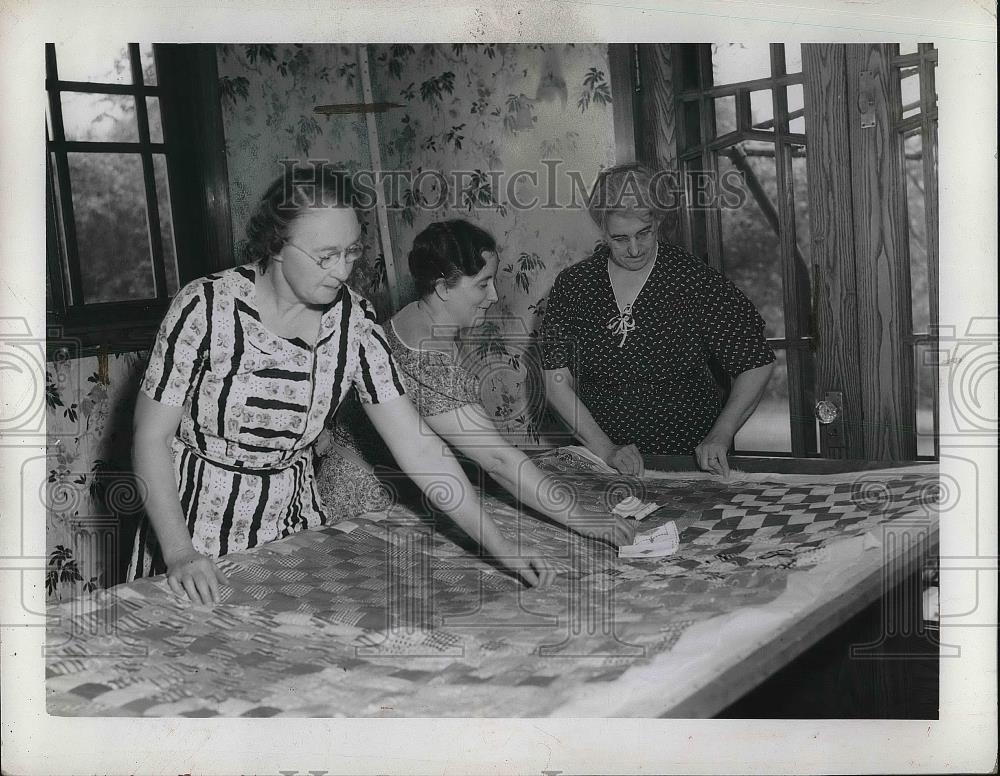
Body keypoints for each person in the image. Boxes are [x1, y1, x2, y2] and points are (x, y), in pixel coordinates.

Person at [128, 168, 556, 605]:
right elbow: (151, 436)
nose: (342, 271)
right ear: (276, 245)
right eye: (325, 255)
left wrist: (502, 545)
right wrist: (180, 552)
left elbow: (420, 447)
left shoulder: (354, 321)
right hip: (190, 524)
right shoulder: (204, 306)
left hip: (291, 524)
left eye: (351, 252)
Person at [315, 219, 635, 549]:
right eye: (482, 285)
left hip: (374, 487)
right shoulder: (425, 354)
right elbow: (497, 461)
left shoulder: (416, 315)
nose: (494, 296)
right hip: (364, 503)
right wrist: (585, 519)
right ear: (442, 288)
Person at [541, 163, 776, 478]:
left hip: (688, 460)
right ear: (602, 229)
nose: (635, 249)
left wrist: (722, 433)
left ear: (659, 221)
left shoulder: (694, 280)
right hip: (601, 458)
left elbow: (755, 362)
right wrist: (606, 449)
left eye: (644, 233)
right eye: (620, 238)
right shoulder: (575, 286)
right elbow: (556, 382)